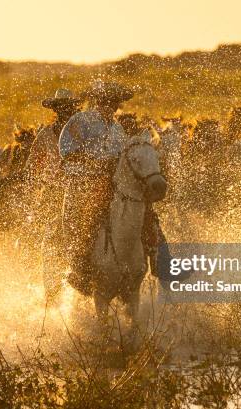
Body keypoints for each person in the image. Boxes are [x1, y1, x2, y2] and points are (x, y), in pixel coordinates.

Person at [59, 80, 157, 291]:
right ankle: (81, 267)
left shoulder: (117, 128)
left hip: (112, 182)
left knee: (146, 208)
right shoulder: (80, 121)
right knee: (90, 213)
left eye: (114, 102)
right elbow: (66, 151)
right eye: (106, 100)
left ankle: (154, 253)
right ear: (97, 101)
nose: (110, 105)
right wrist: (95, 162)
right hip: (84, 181)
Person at [25, 89, 83, 226]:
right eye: (61, 107)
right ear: (55, 110)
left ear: (73, 108)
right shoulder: (45, 134)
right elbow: (33, 162)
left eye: (68, 107)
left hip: (79, 186)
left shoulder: (82, 132)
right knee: (39, 223)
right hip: (53, 187)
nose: (65, 110)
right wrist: (33, 181)